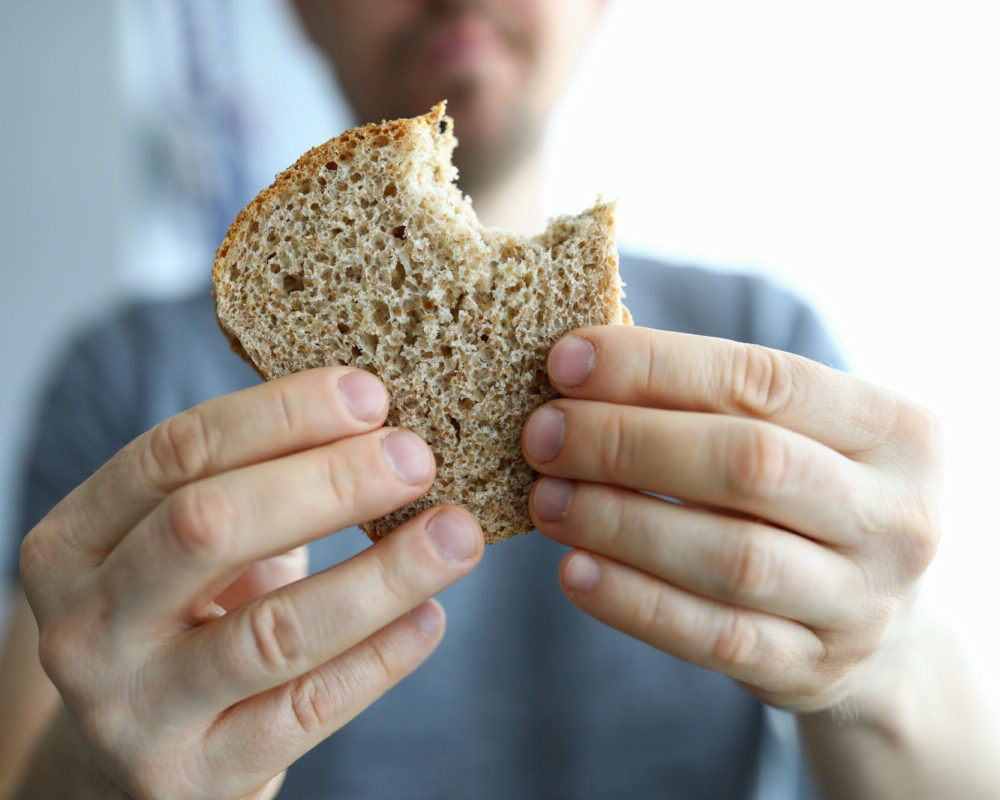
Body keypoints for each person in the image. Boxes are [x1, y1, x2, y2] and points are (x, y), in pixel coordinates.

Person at [1, 1, 997, 798]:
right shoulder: (129, 381)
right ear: (302, 12)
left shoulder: (761, 347)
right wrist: (97, 781)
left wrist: (886, 662)